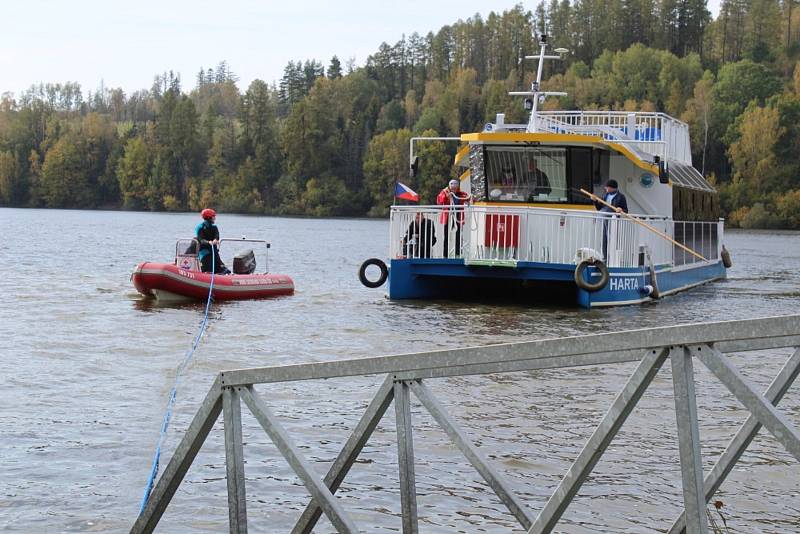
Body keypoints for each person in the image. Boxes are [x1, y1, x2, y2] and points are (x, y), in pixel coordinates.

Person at [594, 179, 629, 260]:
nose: (606, 188)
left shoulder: (621, 197)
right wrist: (595, 201)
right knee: (604, 239)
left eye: (607, 187)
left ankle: (613, 258)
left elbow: (626, 210)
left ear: (612, 188)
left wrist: (620, 209)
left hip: (613, 221)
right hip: (605, 219)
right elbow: (599, 208)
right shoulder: (605, 195)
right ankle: (605, 258)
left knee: (612, 238)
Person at [436, 179, 470, 258]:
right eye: (452, 184)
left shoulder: (460, 193)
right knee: (446, 235)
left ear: (458, 186)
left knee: (458, 235)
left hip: (458, 216)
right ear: (449, 185)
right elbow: (439, 201)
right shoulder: (445, 192)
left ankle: (458, 254)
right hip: (448, 215)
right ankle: (445, 255)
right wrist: (446, 197)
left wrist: (469, 200)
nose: (454, 187)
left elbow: (468, 198)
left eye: (455, 185)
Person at [195, 208, 231, 274]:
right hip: (204, 251)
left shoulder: (214, 227)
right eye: (213, 216)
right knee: (208, 268)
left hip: (213, 251)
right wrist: (208, 242)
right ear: (209, 217)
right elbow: (201, 239)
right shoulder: (200, 228)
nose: (215, 218)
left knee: (223, 269)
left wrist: (215, 240)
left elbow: (217, 236)